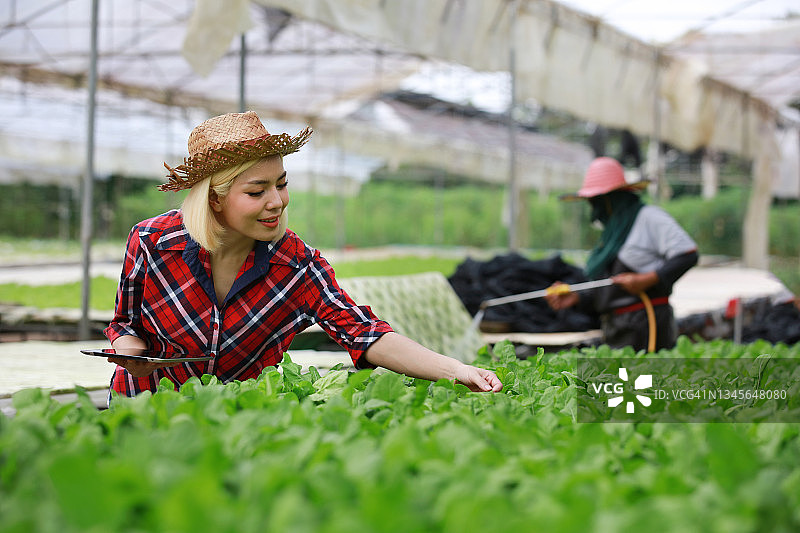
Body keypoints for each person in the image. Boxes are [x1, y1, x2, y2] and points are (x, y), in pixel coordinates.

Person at [104, 111, 501, 396]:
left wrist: (455, 369)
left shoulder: (297, 267)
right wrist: (131, 354)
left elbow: (365, 334)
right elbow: (126, 323)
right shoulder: (153, 242)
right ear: (215, 200)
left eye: (282, 184)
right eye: (257, 192)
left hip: (236, 420)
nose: (276, 202)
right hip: (145, 407)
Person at [545, 157, 698, 351]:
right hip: (617, 329)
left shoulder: (648, 218)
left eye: (597, 200)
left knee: (648, 380)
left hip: (646, 326)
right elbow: (611, 287)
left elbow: (688, 254)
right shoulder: (611, 233)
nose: (594, 208)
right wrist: (577, 297)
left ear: (612, 198)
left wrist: (647, 279)